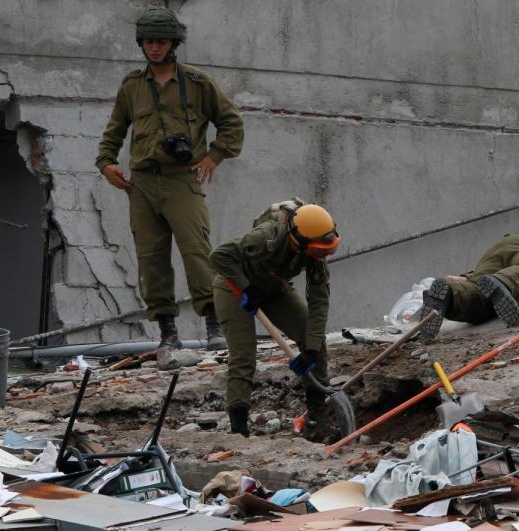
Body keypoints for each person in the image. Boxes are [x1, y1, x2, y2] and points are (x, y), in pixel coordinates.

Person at [95, 7, 243, 351]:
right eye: (149, 42)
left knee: (197, 252)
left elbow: (232, 121)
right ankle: (168, 334)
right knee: (151, 258)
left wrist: (214, 155)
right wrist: (106, 164)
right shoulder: (132, 86)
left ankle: (214, 326)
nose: (155, 48)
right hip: (142, 182)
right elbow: (114, 131)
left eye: (161, 41)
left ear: (174, 43)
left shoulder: (197, 83)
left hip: (181, 179)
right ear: (141, 44)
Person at [209, 201, 340, 437]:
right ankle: (239, 430)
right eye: (318, 250)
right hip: (235, 287)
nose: (321, 256)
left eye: (326, 251)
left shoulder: (315, 254)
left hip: (273, 287)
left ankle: (316, 420)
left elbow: (319, 303)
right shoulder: (266, 236)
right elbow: (218, 255)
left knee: (315, 339)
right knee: (244, 354)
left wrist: (310, 350)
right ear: (299, 240)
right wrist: (245, 287)